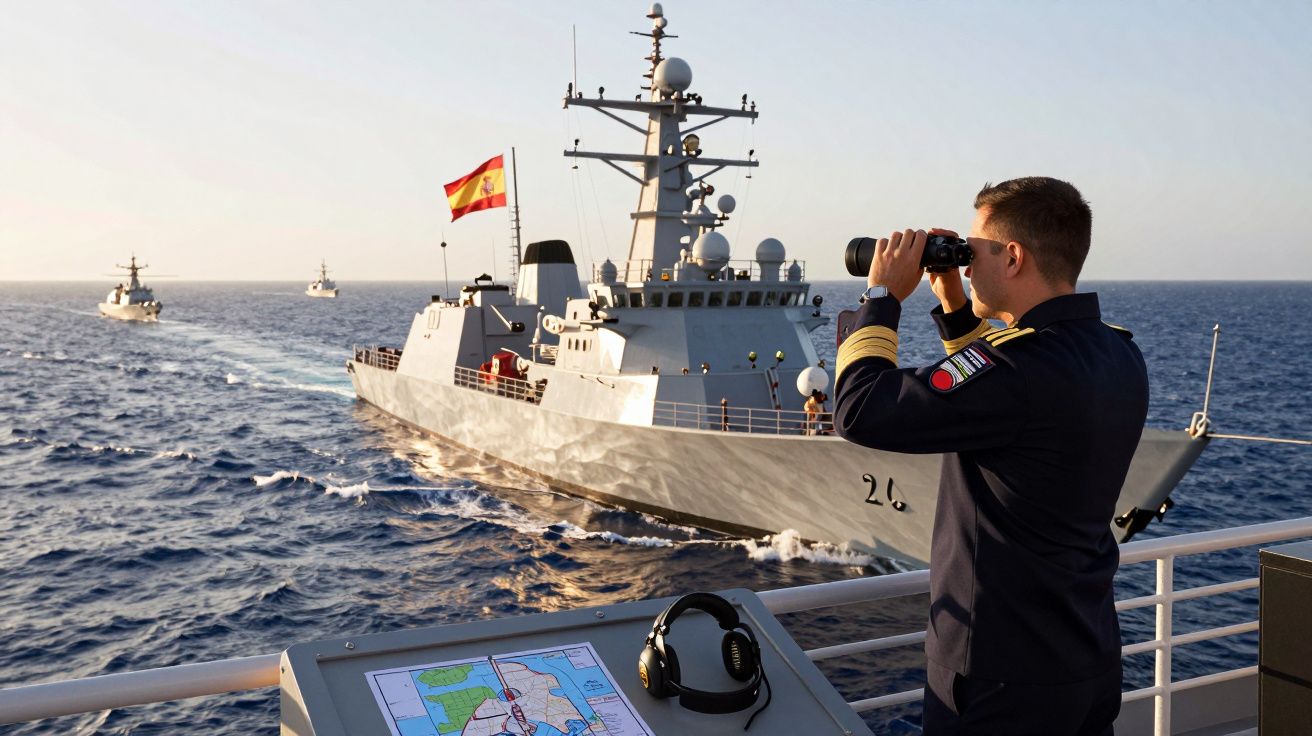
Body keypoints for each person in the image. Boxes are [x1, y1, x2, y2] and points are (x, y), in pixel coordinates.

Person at [833, 177, 1147, 735]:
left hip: (1001, 675)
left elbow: (860, 410)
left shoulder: (1018, 369)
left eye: (973, 252)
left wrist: (881, 298)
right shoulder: (1117, 351)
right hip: (1084, 659)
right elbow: (997, 396)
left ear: (1014, 257)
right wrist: (955, 302)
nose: (967, 264)